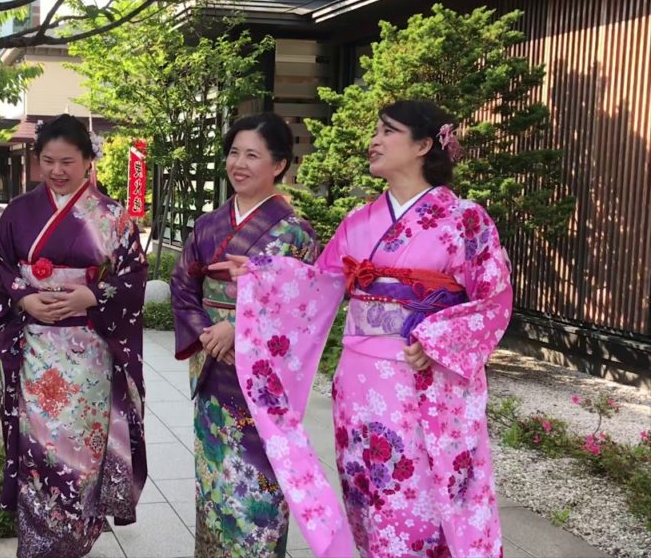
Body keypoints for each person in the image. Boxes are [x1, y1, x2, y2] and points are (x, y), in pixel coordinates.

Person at [217, 100, 512, 557]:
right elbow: (321, 283)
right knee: (367, 494)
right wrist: (264, 274)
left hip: (425, 384)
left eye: (387, 131)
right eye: (376, 130)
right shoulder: (359, 222)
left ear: (423, 145)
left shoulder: (466, 220)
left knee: (421, 504)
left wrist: (437, 338)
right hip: (359, 385)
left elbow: (494, 300)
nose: (374, 140)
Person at [0, 114, 148, 558]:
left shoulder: (112, 216)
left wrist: (91, 296)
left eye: (68, 162)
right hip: (35, 349)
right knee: (38, 449)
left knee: (80, 452)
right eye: (48, 161)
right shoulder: (19, 212)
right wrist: (22, 298)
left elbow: (134, 276)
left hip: (89, 355)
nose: (57, 171)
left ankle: (75, 538)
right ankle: (37, 542)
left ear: (88, 161)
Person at [169, 112, 319, 557]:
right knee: (214, 475)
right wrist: (207, 333)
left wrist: (242, 327)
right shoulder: (208, 225)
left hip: (263, 377)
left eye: (252, 155)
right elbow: (183, 286)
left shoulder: (296, 233)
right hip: (215, 363)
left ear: (279, 165)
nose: (239, 163)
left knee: (260, 480)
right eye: (234, 152)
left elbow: (304, 308)